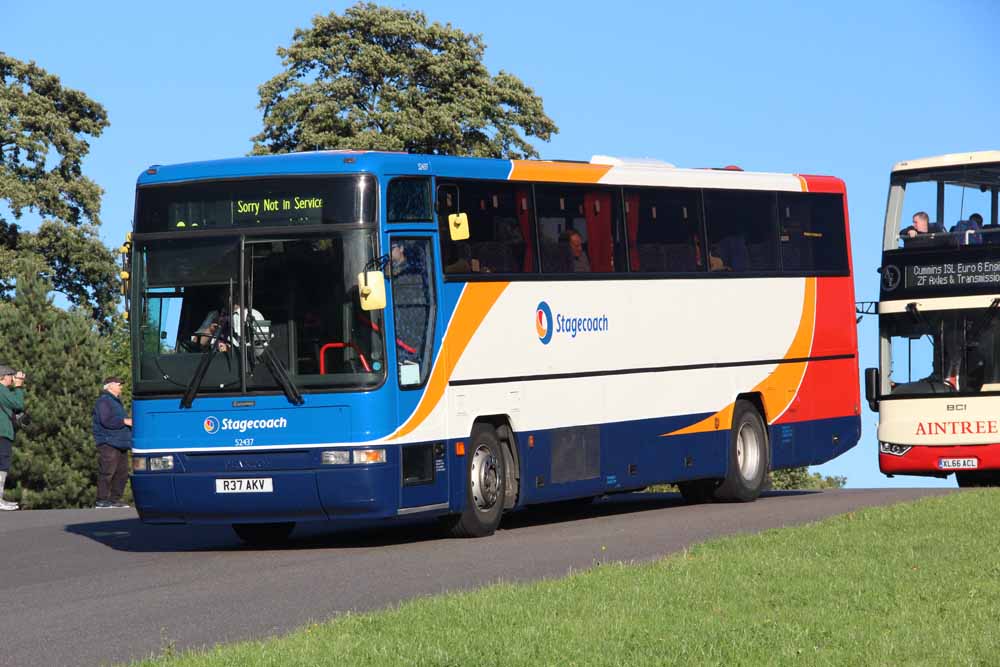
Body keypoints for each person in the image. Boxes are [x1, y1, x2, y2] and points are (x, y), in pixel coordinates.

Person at [91, 376, 133, 509]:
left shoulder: (116, 402)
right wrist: (124, 421)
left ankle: (115, 500)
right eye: (119, 384)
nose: (121, 386)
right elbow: (106, 420)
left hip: (120, 442)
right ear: (109, 386)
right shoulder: (104, 401)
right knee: (107, 471)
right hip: (108, 442)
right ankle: (101, 500)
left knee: (122, 472)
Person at [0, 365, 26, 511]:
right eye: (10, 375)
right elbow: (18, 404)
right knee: (2, 465)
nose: (13, 378)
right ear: (3, 377)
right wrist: (19, 387)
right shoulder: (1, 389)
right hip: (2, 433)